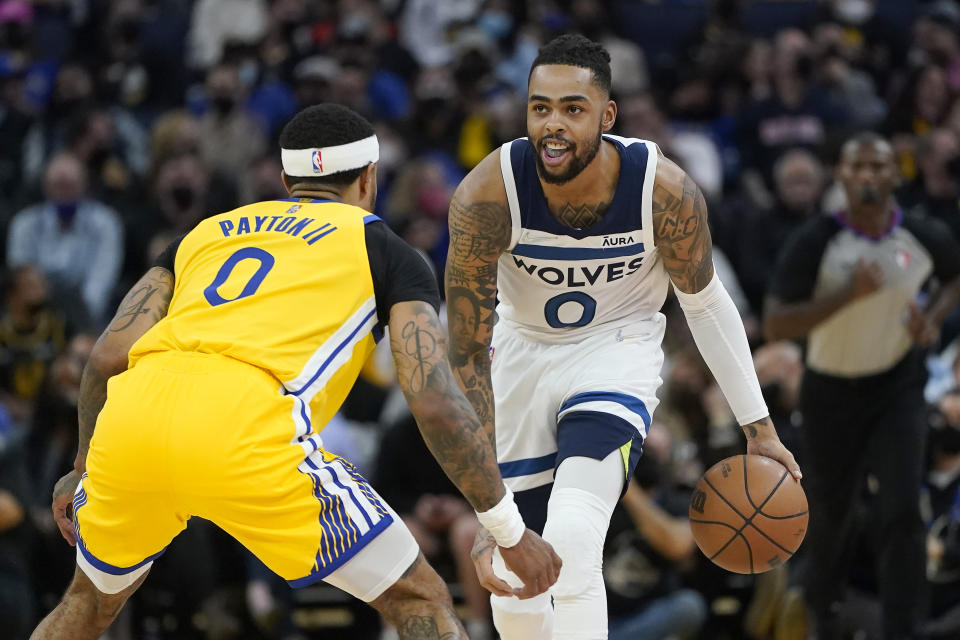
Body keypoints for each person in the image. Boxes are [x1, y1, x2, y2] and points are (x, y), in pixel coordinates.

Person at [29, 103, 561, 640]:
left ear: (287, 179)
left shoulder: (208, 232)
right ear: (369, 179)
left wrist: (81, 465)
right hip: (246, 425)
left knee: (87, 602)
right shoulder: (385, 248)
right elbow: (431, 397)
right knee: (418, 597)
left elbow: (106, 356)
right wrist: (506, 529)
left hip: (133, 421)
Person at [444, 34, 801, 640]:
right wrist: (487, 512)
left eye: (572, 109)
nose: (553, 125)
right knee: (514, 576)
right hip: (521, 355)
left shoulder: (663, 191)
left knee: (575, 540)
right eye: (540, 107)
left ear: (607, 116)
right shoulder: (487, 194)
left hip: (616, 351)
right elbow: (468, 351)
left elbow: (707, 306)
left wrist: (758, 428)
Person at [764, 132, 960, 639]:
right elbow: (777, 324)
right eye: (859, 168)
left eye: (879, 167)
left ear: (896, 176)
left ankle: (905, 629)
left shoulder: (921, 234)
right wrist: (845, 297)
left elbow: (955, 274)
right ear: (843, 178)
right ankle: (817, 610)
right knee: (834, 513)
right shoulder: (816, 240)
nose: (869, 176)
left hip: (897, 386)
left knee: (900, 509)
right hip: (829, 390)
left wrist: (933, 316)